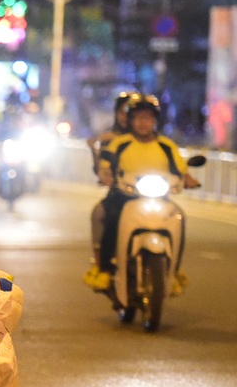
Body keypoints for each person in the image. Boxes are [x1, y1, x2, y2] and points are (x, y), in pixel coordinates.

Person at [84, 93, 199, 291]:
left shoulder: (167, 146)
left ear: (155, 121)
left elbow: (181, 169)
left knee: (178, 218)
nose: (143, 123)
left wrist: (188, 179)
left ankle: (174, 270)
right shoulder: (119, 144)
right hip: (124, 197)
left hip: (159, 197)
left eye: (147, 118)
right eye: (138, 118)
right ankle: (104, 269)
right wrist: (106, 175)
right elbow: (105, 166)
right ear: (130, 120)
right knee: (112, 217)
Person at [85, 92, 132, 270]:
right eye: (122, 112)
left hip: (148, 196)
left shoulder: (157, 142)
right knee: (100, 214)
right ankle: (102, 264)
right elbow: (101, 170)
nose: (126, 116)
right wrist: (94, 152)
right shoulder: (110, 140)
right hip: (119, 194)